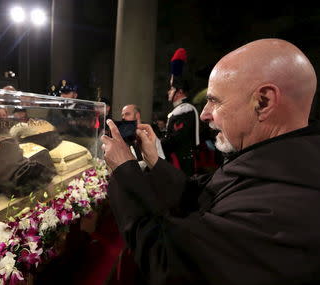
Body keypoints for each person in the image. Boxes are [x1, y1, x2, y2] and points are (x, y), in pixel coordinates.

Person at [101, 39, 320, 285]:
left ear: (264, 102)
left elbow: (169, 262)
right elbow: (202, 195)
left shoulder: (284, 210)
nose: (205, 114)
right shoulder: (276, 161)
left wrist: (123, 170)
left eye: (215, 100)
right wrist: (154, 160)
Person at [161, 77, 200, 176]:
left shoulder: (185, 110)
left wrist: (157, 143)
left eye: (172, 89)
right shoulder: (179, 109)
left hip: (183, 161)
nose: (169, 92)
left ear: (180, 92)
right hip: (179, 158)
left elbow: (177, 138)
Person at [121, 104, 165, 168]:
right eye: (122, 115)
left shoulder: (149, 136)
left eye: (127, 114)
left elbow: (161, 163)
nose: (123, 118)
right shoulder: (124, 137)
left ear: (137, 115)